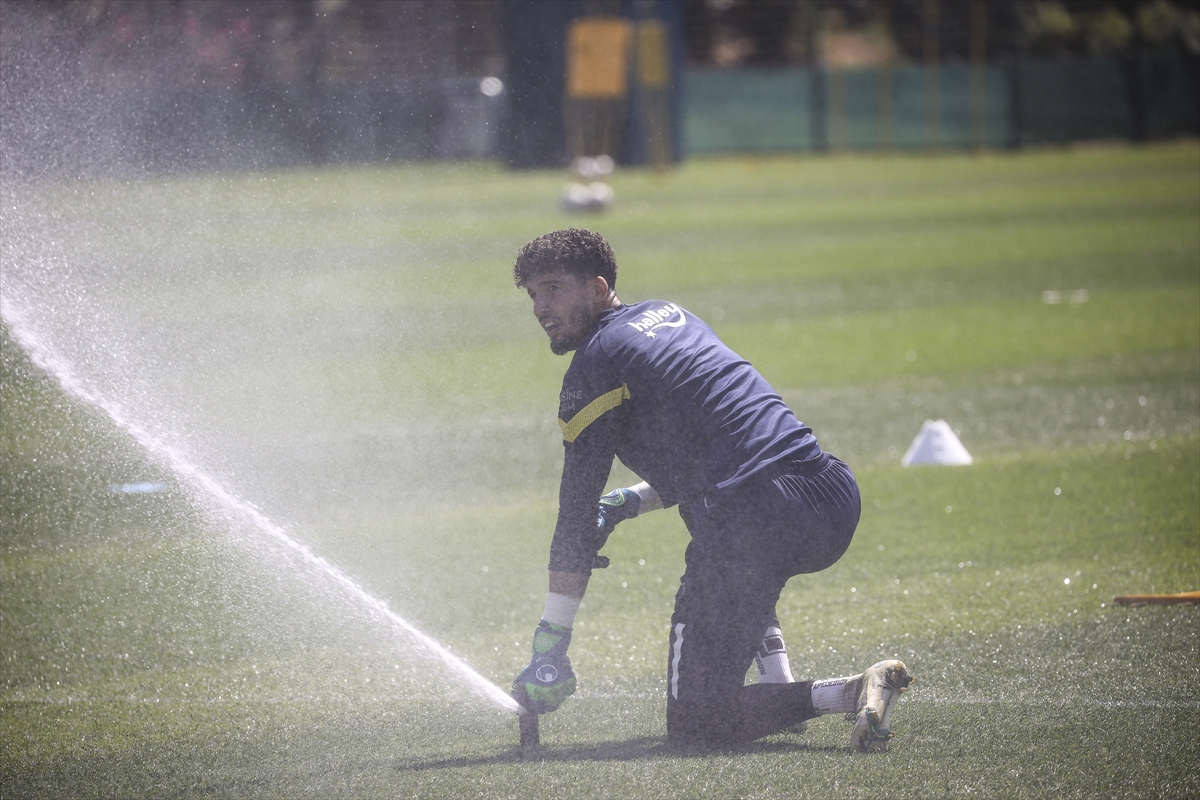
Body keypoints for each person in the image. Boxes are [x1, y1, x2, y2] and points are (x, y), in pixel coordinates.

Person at [510, 228, 913, 751]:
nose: (541, 306)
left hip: (758, 517)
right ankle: (777, 684)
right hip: (828, 491)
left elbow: (573, 515)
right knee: (718, 516)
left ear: (597, 287)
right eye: (532, 294)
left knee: (698, 724)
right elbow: (714, 454)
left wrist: (551, 645)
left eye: (553, 288)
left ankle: (850, 691)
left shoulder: (595, 365)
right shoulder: (667, 315)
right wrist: (629, 502)